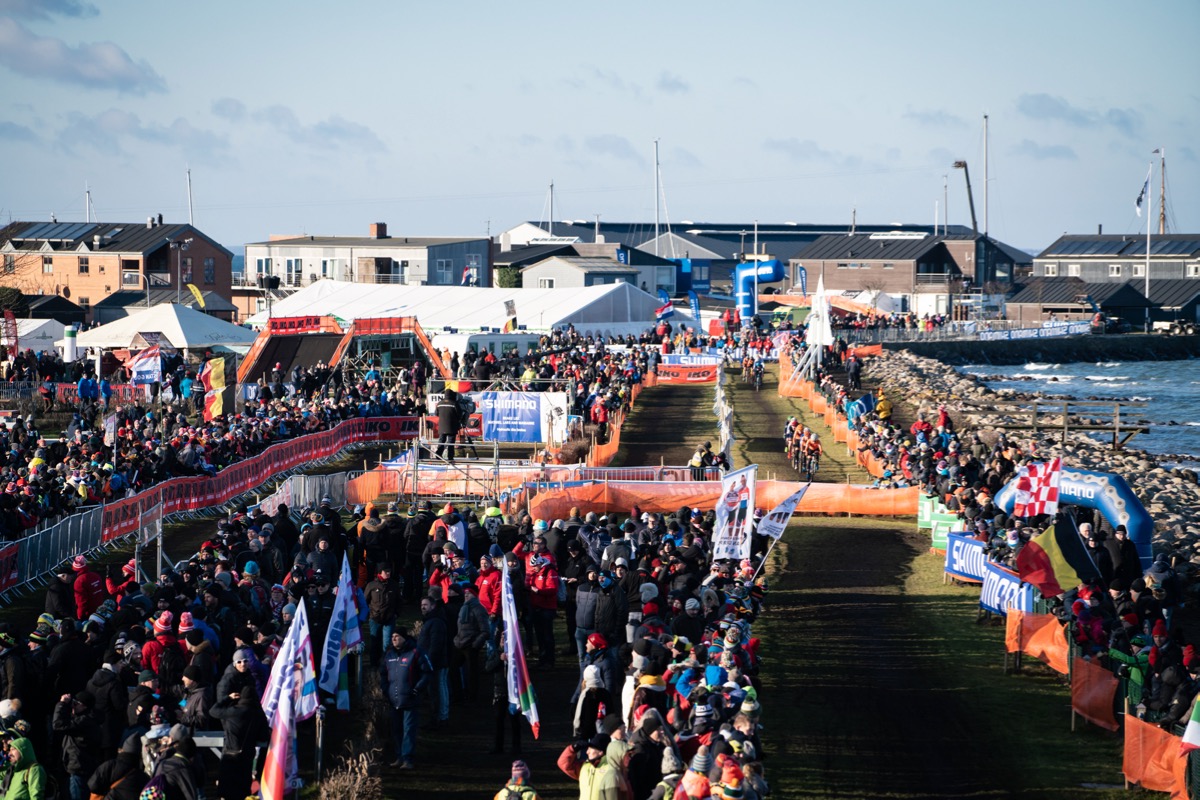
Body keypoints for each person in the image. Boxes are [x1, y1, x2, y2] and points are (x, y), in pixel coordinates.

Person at [379, 628, 431, 770]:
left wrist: (417, 689)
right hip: (393, 700)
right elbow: (383, 674)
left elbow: (427, 672)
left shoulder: (415, 652)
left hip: (410, 699)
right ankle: (399, 756)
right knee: (396, 730)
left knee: (409, 729)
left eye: (397, 636)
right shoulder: (389, 655)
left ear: (404, 638)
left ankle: (408, 758)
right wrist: (385, 689)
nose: (394, 639)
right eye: (393, 636)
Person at [436, 389, 461, 462]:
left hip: (442, 426)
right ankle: (450, 457)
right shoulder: (454, 403)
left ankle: (438, 455)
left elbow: (436, 413)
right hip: (452, 426)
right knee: (451, 442)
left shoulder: (439, 403)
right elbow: (459, 414)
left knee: (441, 441)